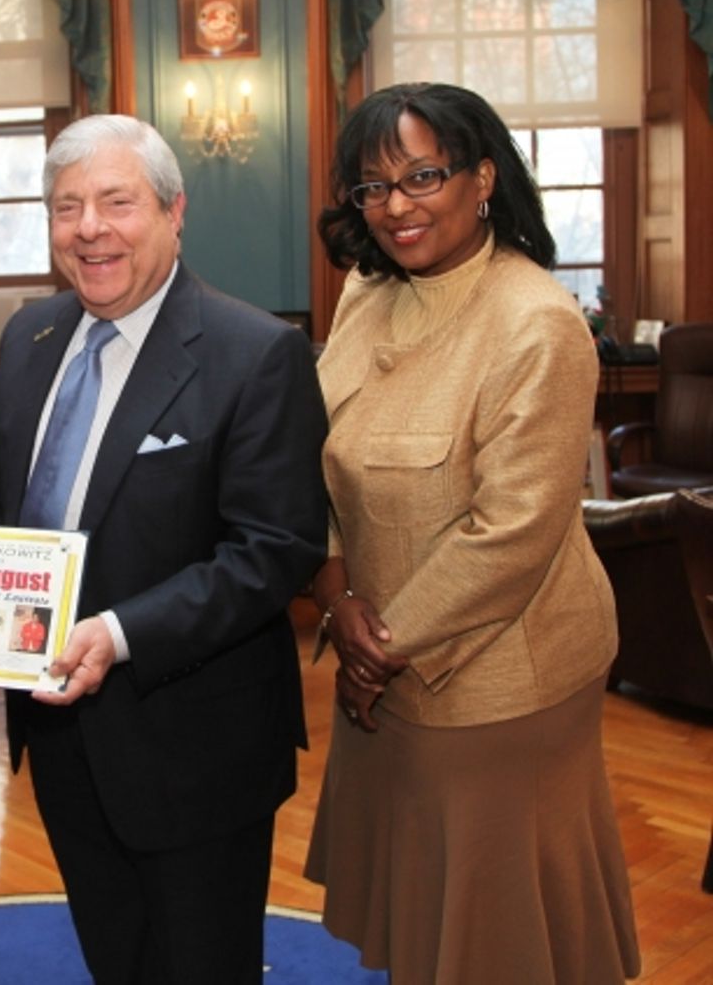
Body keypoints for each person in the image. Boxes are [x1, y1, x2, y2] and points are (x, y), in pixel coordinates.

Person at [0, 114, 328, 984]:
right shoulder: (31, 336)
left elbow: (275, 550)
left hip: (194, 743)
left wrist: (118, 633)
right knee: (114, 957)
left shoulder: (254, 352)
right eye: (67, 207)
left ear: (172, 211)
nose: (89, 229)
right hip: (61, 734)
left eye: (117, 202)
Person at [304, 82, 640, 984]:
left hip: (500, 678)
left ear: (482, 178)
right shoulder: (365, 295)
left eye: (423, 176)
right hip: (379, 654)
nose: (397, 207)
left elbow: (515, 532)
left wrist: (380, 647)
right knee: (423, 921)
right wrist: (340, 602)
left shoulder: (536, 321)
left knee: (495, 938)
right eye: (373, 188)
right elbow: (323, 456)